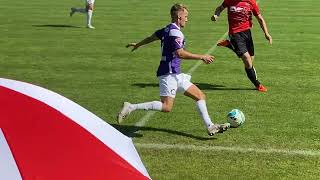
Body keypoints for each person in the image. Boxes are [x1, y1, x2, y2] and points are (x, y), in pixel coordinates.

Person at [118, 3, 229, 136]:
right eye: (186, 16)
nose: (187, 19)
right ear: (179, 16)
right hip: (168, 74)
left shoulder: (167, 29)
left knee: (200, 96)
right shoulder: (176, 33)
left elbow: (152, 37)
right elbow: (180, 53)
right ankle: (131, 107)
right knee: (166, 106)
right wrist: (202, 57)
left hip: (176, 74)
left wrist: (139, 44)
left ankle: (210, 126)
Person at [211, 0, 272, 92]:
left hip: (247, 33)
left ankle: (229, 45)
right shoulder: (229, 1)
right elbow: (220, 8)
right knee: (247, 60)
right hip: (235, 34)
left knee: (250, 61)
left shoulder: (251, 2)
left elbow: (260, 18)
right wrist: (216, 15)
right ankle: (257, 84)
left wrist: (266, 34)